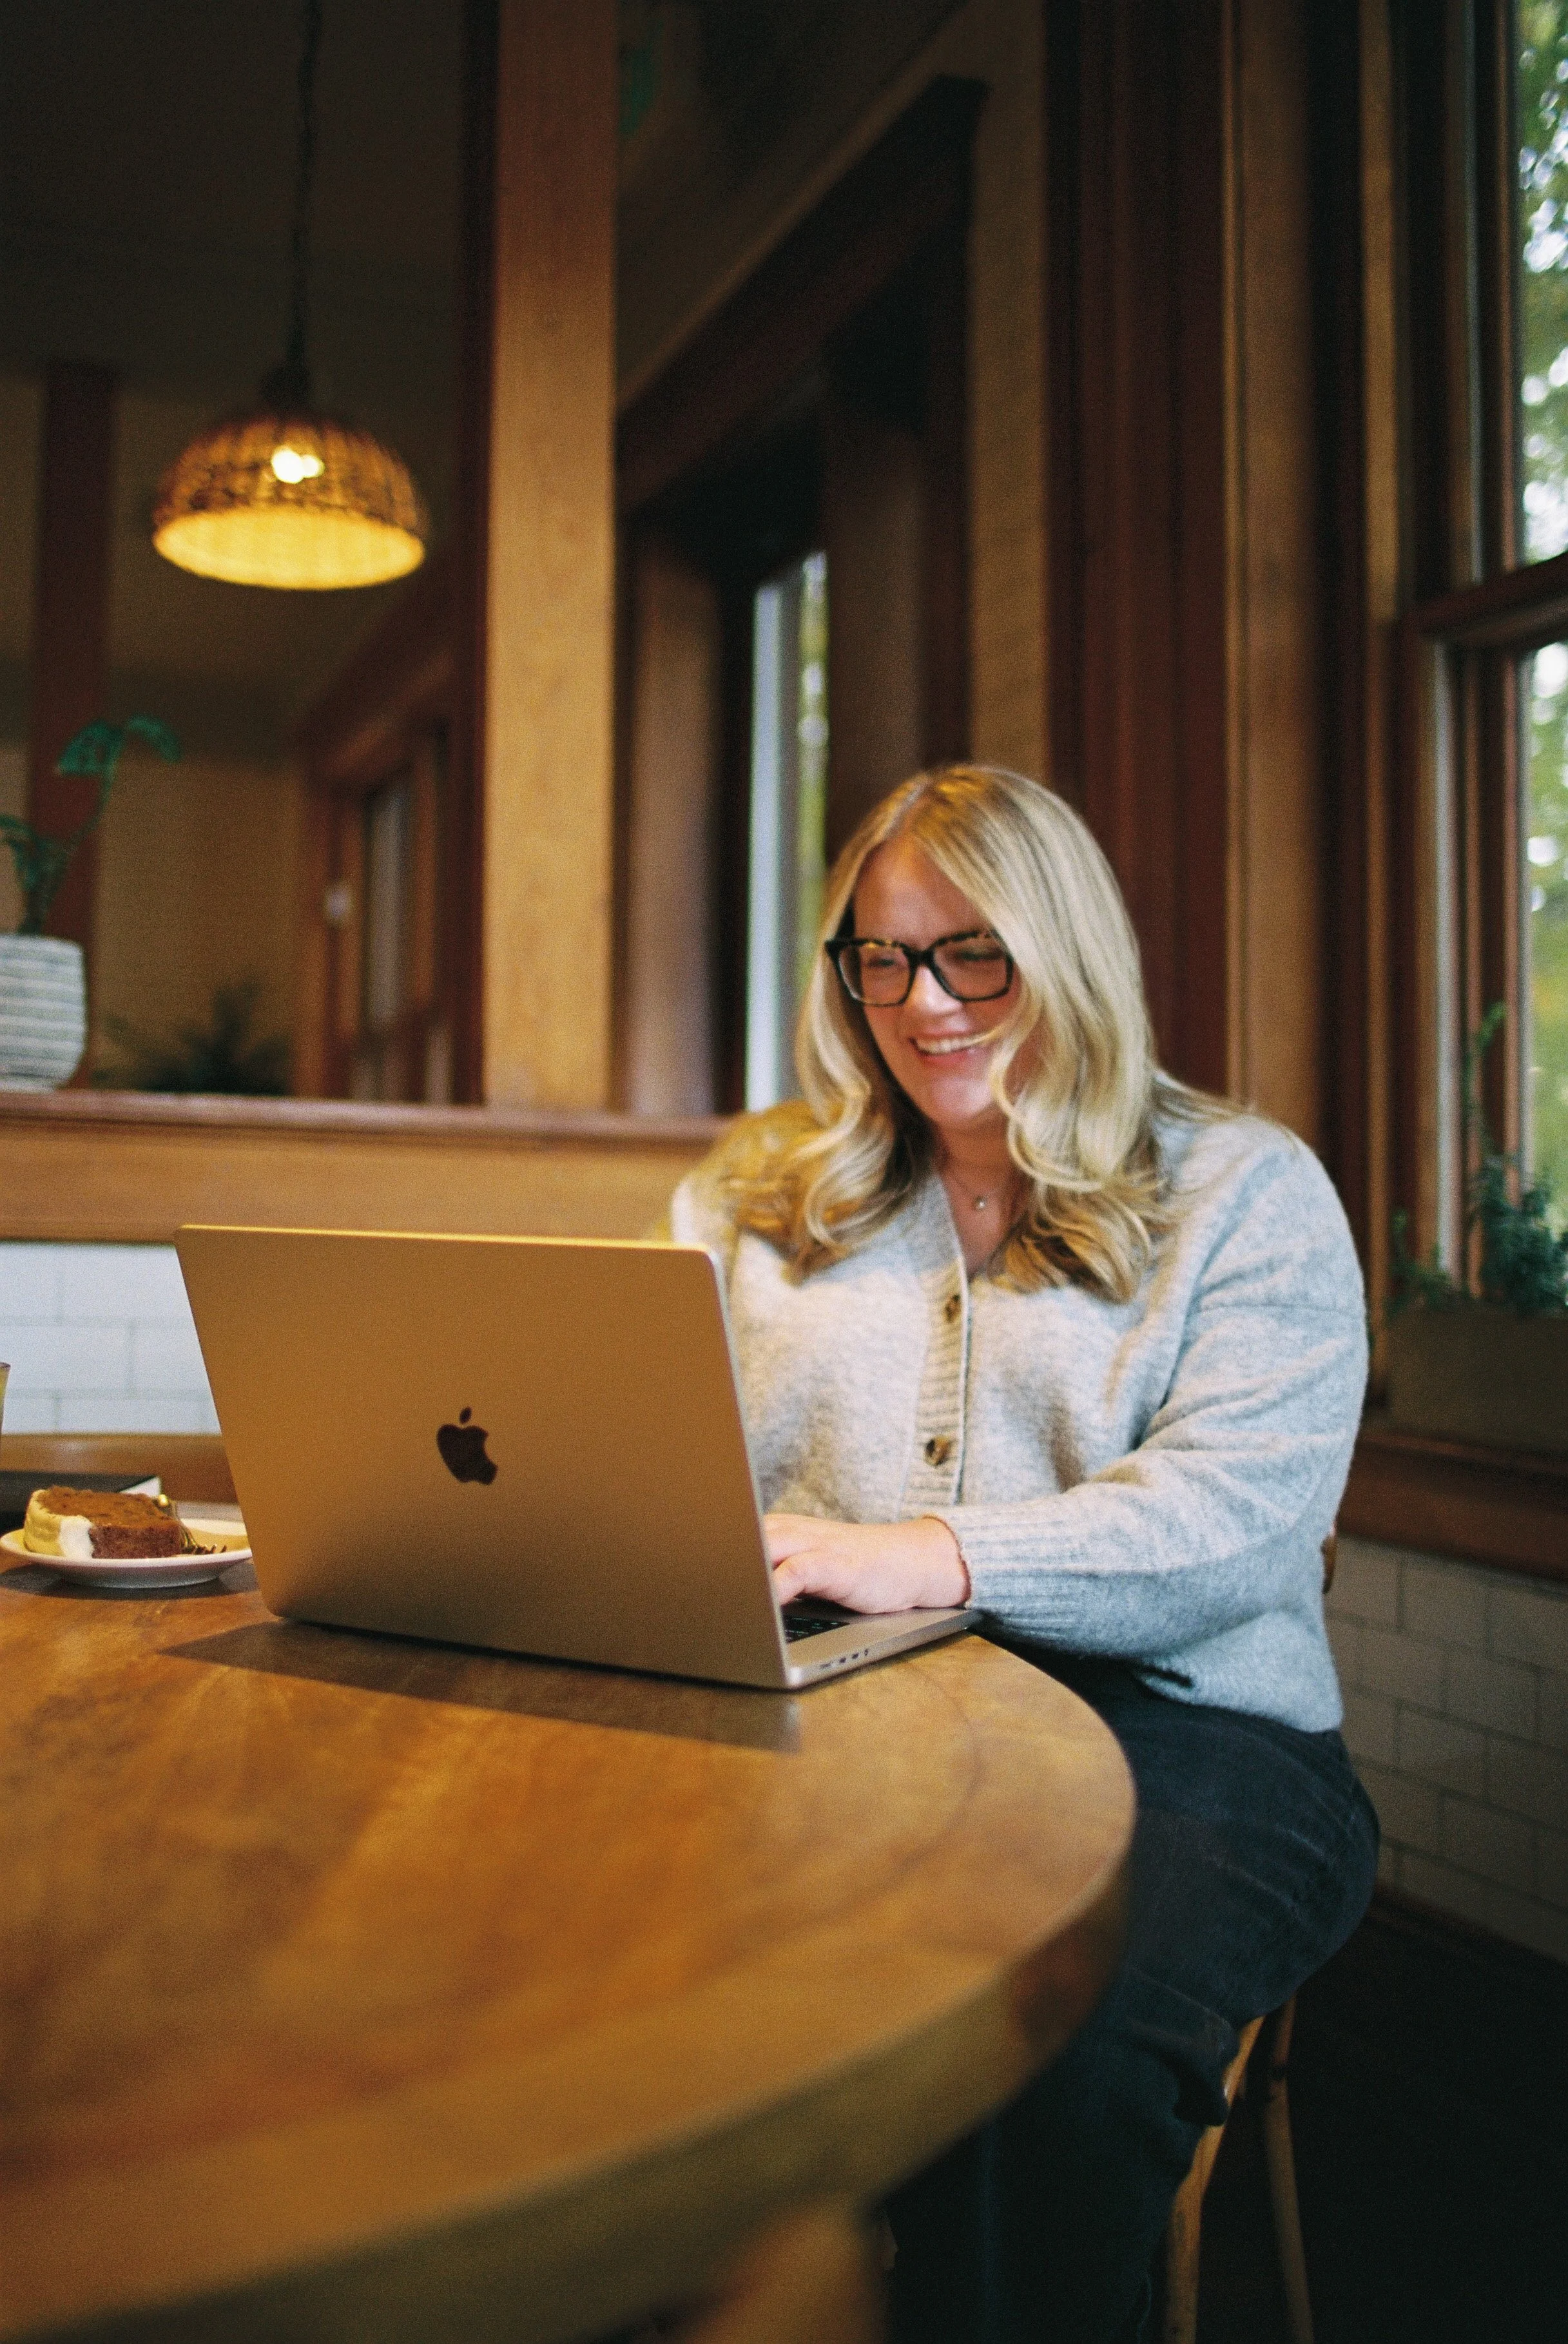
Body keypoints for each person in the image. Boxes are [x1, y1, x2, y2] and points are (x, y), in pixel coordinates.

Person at [670, 763, 1379, 2344]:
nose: (923, 1004)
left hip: (1196, 1746)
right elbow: (652, 1456)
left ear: (1066, 947)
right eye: (881, 956)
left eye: (970, 951)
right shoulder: (752, 1200)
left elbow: (1236, 1521)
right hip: (837, 1720)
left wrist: (925, 1551)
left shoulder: (1244, 1192)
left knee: (1037, 2041)